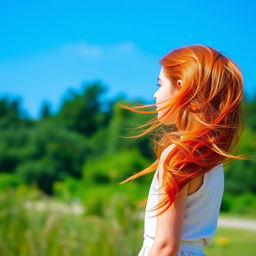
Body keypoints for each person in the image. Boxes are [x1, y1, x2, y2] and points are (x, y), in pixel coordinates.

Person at [119, 44, 248, 256]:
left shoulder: (177, 154)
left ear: (181, 87)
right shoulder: (212, 160)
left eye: (160, 84)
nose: (154, 94)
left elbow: (165, 246)